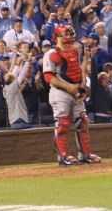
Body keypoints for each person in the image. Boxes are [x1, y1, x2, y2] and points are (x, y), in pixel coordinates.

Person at [42, 25, 101, 165]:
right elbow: (49, 77)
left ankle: (85, 154)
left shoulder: (75, 51)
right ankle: (62, 156)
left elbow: (78, 70)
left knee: (82, 121)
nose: (69, 37)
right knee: (62, 123)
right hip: (60, 93)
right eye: (65, 34)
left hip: (76, 92)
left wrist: (82, 86)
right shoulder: (51, 53)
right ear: (57, 37)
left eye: (70, 34)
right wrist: (70, 88)